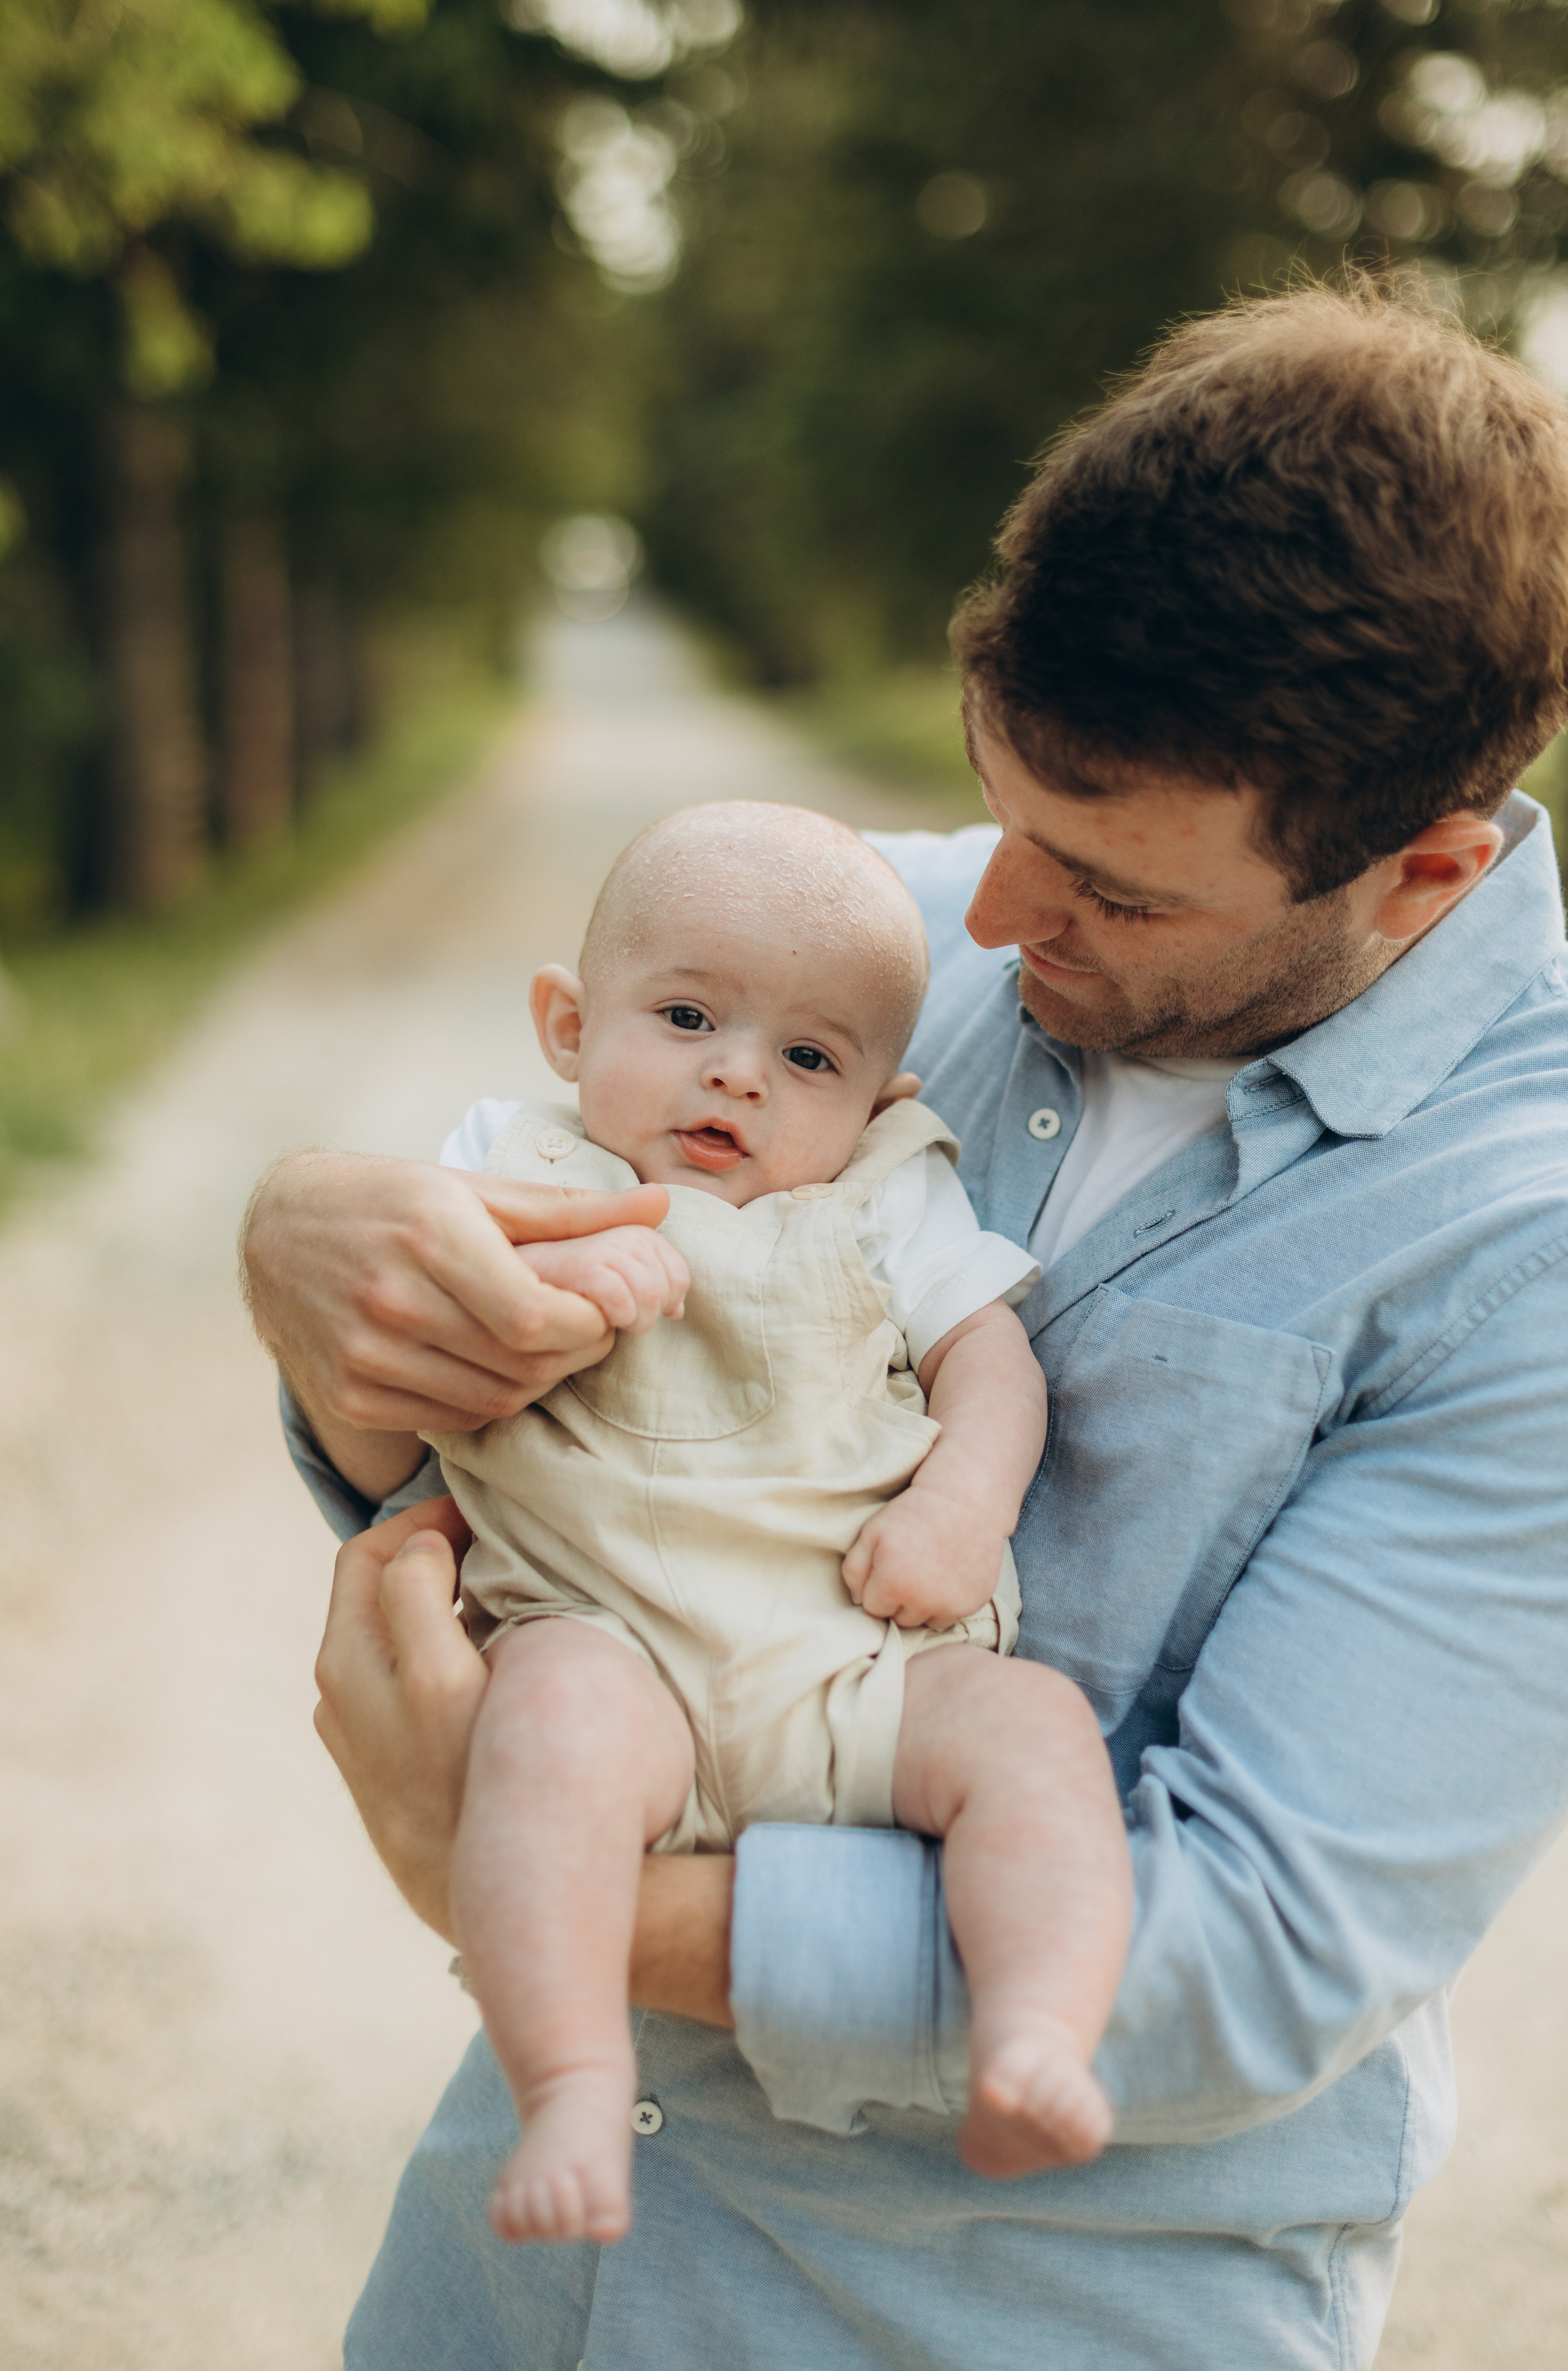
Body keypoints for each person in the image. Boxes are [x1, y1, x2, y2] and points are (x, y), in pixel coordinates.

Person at [245, 278, 1568, 2371]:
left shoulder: (1530, 1247)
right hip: (513, 2281)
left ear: (1421, 873)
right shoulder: (859, 957)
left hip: (994, 2313)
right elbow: (512, 1229)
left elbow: (1258, 1962)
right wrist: (308, 1250)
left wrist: (544, 1888)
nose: (994, 919)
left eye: (1114, 895)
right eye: (1001, 814)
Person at [422, 800, 1130, 2246]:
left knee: (1034, 1735)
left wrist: (959, 1506)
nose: (736, 1075)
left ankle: (1034, 2033)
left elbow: (987, 1362)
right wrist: (531, 1297)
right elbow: (408, 1343)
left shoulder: (884, 1192)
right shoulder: (510, 1161)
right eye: (685, 1016)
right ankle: (564, 2082)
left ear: (876, 1099)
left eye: (808, 1059)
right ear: (568, 1025)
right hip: (612, 1648)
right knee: (541, 1735)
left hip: (854, 1659)